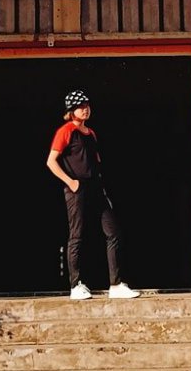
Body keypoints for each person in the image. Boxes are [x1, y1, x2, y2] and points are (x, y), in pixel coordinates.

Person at [46, 90, 137, 300]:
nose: (85, 109)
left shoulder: (91, 133)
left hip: (96, 187)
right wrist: (70, 182)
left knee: (113, 231)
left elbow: (95, 162)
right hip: (76, 189)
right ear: (71, 111)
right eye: (80, 106)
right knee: (77, 234)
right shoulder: (66, 131)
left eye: (87, 104)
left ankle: (116, 285)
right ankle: (75, 285)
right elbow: (51, 161)